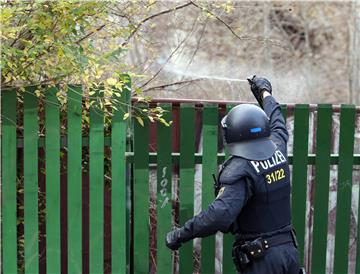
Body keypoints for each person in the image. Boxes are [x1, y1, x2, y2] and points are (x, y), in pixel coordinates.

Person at [165, 75, 301, 274]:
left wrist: (180, 234)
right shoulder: (278, 147)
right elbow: (278, 121)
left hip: (262, 262)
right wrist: (265, 93)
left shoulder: (240, 170)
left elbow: (219, 215)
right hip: (289, 256)